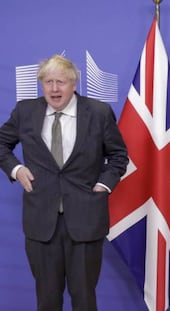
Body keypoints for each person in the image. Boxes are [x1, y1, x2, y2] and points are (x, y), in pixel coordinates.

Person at [0, 54, 128, 311]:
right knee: (47, 300)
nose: (54, 89)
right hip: (40, 223)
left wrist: (103, 186)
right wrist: (16, 169)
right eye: (48, 82)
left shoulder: (99, 112)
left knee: (84, 298)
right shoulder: (25, 112)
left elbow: (118, 156)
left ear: (74, 84)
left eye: (60, 82)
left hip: (86, 220)